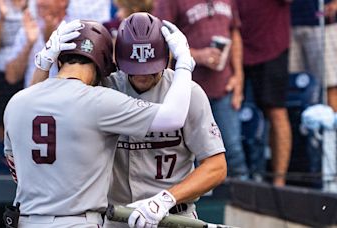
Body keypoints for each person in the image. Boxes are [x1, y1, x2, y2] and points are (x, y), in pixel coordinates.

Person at [4, 18, 195, 228]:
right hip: (78, 222)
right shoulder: (99, 100)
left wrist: (42, 63)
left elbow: (16, 170)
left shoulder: (16, 103)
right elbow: (173, 117)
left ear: (58, 60)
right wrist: (184, 64)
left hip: (25, 221)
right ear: (103, 64)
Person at [102, 13, 227, 228]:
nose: (142, 76)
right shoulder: (105, 89)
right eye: (134, 69)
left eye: (150, 68)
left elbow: (216, 166)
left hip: (174, 216)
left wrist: (166, 199)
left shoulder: (189, 92)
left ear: (166, 58)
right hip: (117, 216)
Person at [152, 0, 248, 178]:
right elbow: (160, 44)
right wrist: (197, 55)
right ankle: (203, 205)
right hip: (187, 91)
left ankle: (245, 204)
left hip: (223, 86)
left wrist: (238, 76)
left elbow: (234, 33)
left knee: (234, 152)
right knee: (194, 158)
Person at [236, 0, 292, 186]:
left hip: (271, 48)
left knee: (276, 111)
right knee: (230, 109)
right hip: (236, 49)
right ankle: (235, 178)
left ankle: (279, 182)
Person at [0, 0, 27, 151]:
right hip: (1, 69)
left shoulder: (36, 3)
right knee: (2, 122)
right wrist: (1, 18)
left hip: (29, 66)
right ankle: (4, 159)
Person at [5, 0, 69, 87]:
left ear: (63, 2)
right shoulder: (30, 28)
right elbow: (11, 77)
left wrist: (49, 40)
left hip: (64, 97)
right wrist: (29, 44)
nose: (39, 2)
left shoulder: (74, 28)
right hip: (31, 97)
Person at [289, 0, 337, 111]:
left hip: (321, 23)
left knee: (329, 85)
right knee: (294, 88)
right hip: (287, 24)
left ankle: (332, 126)